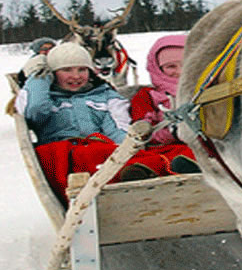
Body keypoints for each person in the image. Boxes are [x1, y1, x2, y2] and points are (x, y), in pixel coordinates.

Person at [14, 42, 180, 204]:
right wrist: (39, 76)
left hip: (101, 147)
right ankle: (144, 170)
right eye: (66, 70)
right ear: (53, 73)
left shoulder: (104, 95)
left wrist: (125, 151)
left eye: (82, 69)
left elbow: (117, 127)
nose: (76, 76)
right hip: (63, 151)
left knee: (170, 150)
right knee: (86, 154)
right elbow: (35, 108)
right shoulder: (46, 98)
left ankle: (147, 168)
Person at [129, 35, 200, 173]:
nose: (179, 71)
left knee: (197, 154)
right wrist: (171, 132)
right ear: (158, 68)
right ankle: (141, 172)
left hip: (200, 145)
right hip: (163, 147)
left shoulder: (203, 91)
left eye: (185, 64)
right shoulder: (147, 96)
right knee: (153, 159)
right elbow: (143, 129)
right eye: (170, 66)